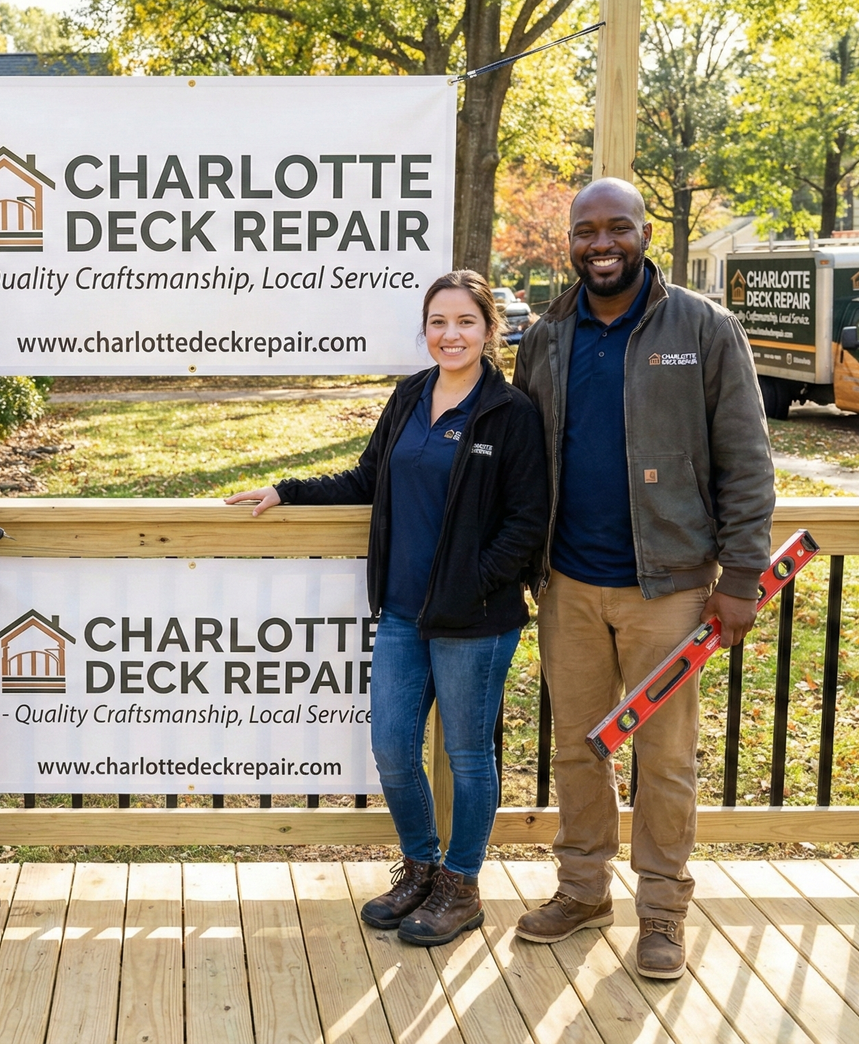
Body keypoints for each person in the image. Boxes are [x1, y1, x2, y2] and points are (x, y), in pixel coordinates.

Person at [226, 269, 548, 947]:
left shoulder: (510, 413)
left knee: (467, 754)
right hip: (403, 610)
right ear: (425, 330)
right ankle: (422, 865)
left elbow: (527, 520)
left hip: (477, 618)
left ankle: (461, 884)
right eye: (438, 321)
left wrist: (477, 582)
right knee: (392, 747)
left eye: (465, 321)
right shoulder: (409, 396)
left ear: (489, 330)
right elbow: (367, 478)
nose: (450, 333)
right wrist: (285, 489)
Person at [510, 178, 774, 979]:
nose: (602, 243)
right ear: (570, 240)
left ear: (644, 232)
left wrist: (742, 575)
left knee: (664, 756)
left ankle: (661, 909)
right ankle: (582, 887)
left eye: (617, 228)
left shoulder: (703, 326)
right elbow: (527, 458)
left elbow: (747, 458)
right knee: (577, 749)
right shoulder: (548, 334)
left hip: (671, 587)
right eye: (586, 230)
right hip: (569, 586)